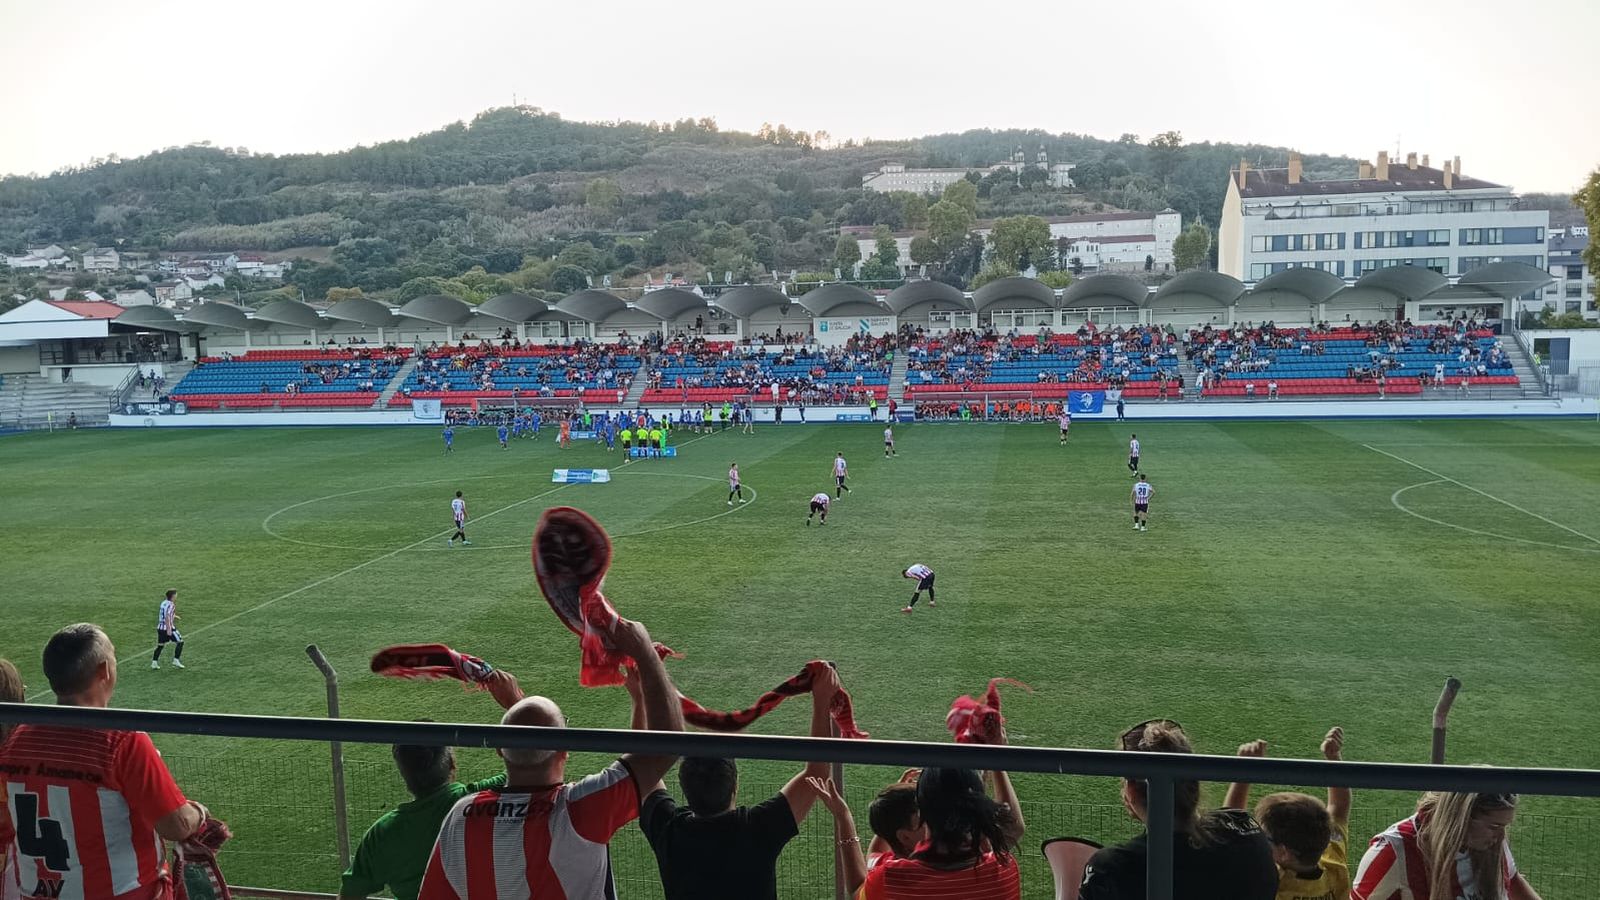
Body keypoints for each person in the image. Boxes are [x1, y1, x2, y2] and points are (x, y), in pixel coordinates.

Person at [418, 617, 684, 900]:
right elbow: (664, 746)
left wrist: (518, 708)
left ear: (499, 750)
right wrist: (643, 651)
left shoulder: (462, 814)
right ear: (564, 750)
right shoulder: (582, 808)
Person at [0, 624, 209, 900]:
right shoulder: (122, 741)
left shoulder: (17, 740)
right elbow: (176, 826)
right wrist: (199, 813)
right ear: (104, 671)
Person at [640, 665, 842, 900]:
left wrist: (641, 689)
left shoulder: (668, 829)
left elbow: (642, 767)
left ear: (684, 787)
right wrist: (822, 699)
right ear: (735, 785)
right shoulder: (757, 829)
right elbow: (816, 773)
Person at [340, 670, 528, 900]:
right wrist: (515, 703)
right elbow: (541, 756)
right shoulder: (483, 801)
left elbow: (349, 895)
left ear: (402, 772)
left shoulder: (382, 835)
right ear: (452, 764)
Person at [1077, 720, 1277, 900]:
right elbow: (1225, 831)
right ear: (1195, 785)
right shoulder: (1249, 835)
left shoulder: (1110, 867)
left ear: (1130, 792)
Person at [856, 760, 1025, 900]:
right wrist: (997, 757)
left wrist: (889, 811)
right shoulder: (1005, 871)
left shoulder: (888, 880)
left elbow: (862, 881)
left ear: (921, 810)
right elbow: (1013, 827)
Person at [1223, 728, 1351, 900]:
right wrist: (1334, 758)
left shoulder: (1268, 883)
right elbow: (1339, 805)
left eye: (1263, 835)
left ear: (1284, 852)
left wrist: (1243, 772)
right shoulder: (1335, 867)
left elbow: (1231, 825)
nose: (1258, 836)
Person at [1352, 792, 1541, 900]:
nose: (1501, 837)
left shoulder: (1489, 844)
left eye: (1504, 826)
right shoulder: (1392, 851)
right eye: (1494, 826)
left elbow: (1514, 881)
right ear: (1462, 818)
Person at [151, 588, 185, 669]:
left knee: (160, 645)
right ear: (173, 596)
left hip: (160, 628)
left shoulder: (163, 603)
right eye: (176, 595)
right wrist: (169, 629)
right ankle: (176, 660)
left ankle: (154, 663)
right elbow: (167, 616)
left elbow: (164, 613)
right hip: (168, 628)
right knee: (180, 642)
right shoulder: (171, 605)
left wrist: (174, 616)